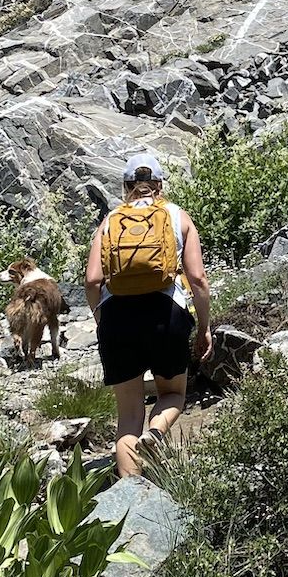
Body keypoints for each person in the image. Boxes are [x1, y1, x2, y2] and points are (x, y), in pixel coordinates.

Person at [85, 152, 212, 477]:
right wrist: (203, 328)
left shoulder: (110, 220)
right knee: (172, 393)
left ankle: (130, 496)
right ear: (159, 185)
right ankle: (155, 433)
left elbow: (92, 281)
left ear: (126, 186)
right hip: (166, 313)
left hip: (117, 318)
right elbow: (197, 280)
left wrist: (102, 322)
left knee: (128, 415)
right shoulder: (177, 216)